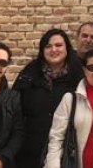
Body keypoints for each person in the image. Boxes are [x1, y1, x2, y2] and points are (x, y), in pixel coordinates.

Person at [13, 28, 83, 168]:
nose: (53, 50)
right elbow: (15, 108)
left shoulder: (79, 73)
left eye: (58, 45)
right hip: (31, 150)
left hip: (67, 151)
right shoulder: (29, 72)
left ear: (67, 48)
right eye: (48, 46)